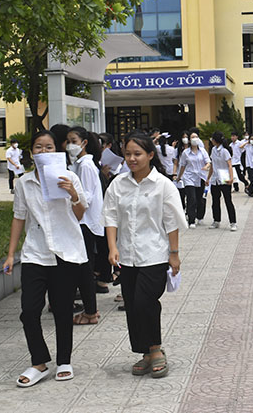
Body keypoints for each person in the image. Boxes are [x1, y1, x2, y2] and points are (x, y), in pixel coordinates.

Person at [3, 130, 88, 387]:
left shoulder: (69, 176)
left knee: (62, 310)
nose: (44, 151)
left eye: (49, 147)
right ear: (31, 153)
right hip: (35, 253)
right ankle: (39, 362)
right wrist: (10, 254)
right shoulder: (24, 183)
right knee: (29, 310)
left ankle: (64, 361)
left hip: (65, 252)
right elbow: (19, 217)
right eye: (38, 147)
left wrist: (73, 193)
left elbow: (81, 214)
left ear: (57, 150)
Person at [103, 132, 187, 378]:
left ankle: (156, 349)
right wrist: (112, 247)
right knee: (132, 304)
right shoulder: (118, 184)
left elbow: (171, 221)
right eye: (128, 153)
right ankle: (145, 352)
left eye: (137, 154)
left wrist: (174, 254)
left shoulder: (163, 185)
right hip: (127, 255)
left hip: (155, 254)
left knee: (144, 301)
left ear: (150, 155)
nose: (132, 158)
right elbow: (110, 216)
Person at [67, 127, 106, 326]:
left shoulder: (86, 166)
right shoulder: (81, 164)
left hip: (86, 222)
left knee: (85, 268)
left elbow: (87, 196)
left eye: (73, 140)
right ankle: (90, 309)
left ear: (84, 142)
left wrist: (74, 204)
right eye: (68, 141)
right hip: (84, 221)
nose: (69, 145)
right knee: (84, 268)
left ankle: (91, 311)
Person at [174, 130, 209, 227]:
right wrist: (179, 177)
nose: (195, 139)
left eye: (196, 137)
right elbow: (182, 166)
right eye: (192, 137)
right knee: (191, 198)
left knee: (199, 199)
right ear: (189, 140)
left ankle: (200, 217)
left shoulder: (202, 151)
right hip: (189, 177)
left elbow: (208, 162)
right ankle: (191, 220)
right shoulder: (186, 153)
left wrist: (206, 167)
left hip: (200, 177)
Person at [207, 131, 237, 231]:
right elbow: (212, 165)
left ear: (216, 140)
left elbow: (229, 165)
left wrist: (231, 178)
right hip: (215, 179)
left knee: (228, 201)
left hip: (224, 178)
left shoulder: (224, 151)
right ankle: (216, 220)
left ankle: (233, 222)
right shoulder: (213, 150)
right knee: (215, 201)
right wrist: (208, 178)